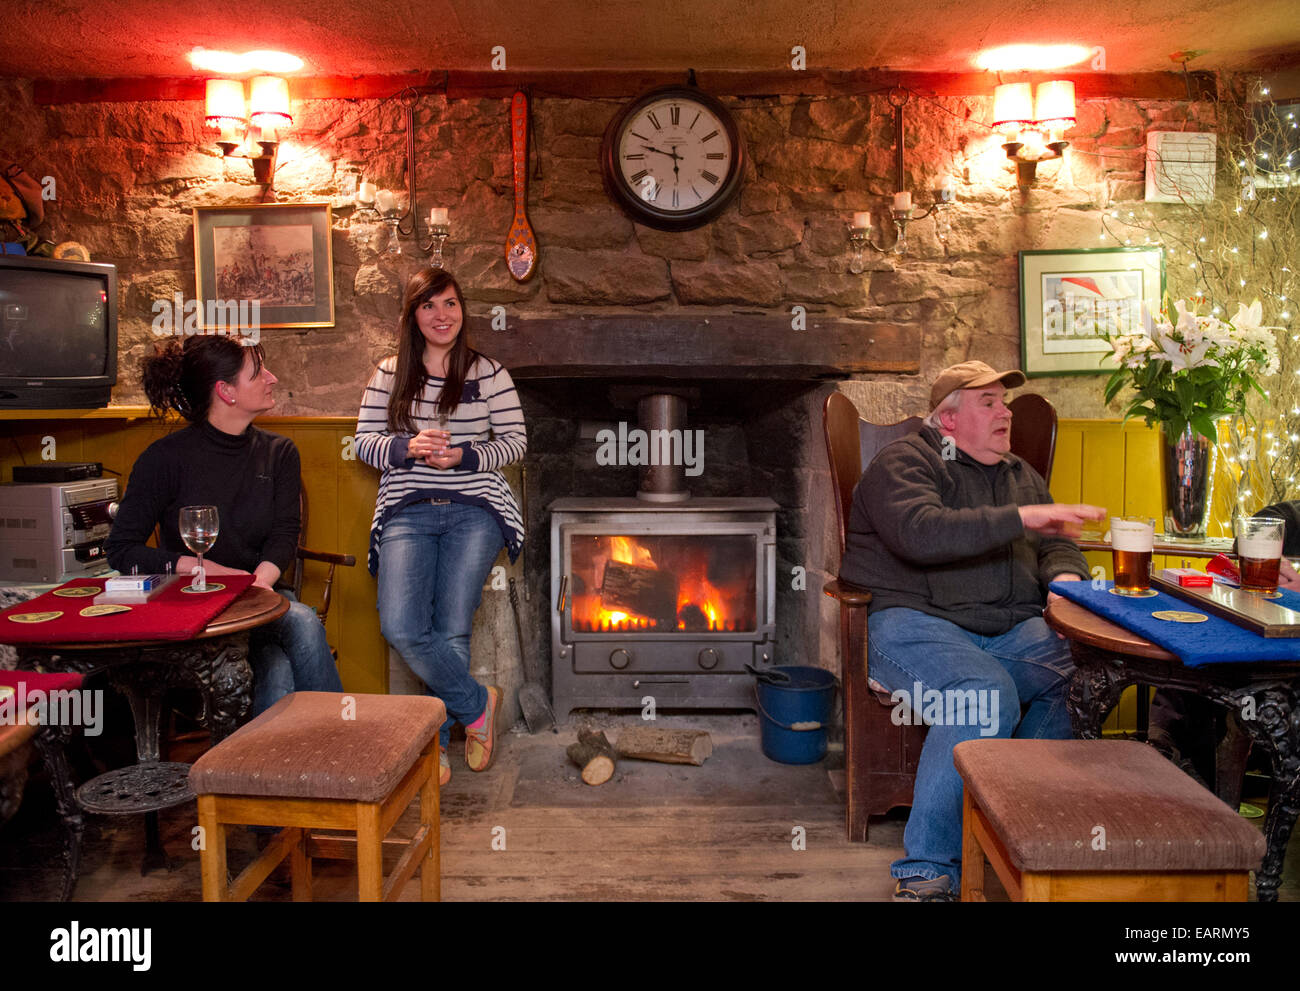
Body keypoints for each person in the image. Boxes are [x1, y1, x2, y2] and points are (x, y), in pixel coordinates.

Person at [839, 360, 1106, 901]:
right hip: (912, 626)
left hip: (1006, 631)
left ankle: (1012, 832)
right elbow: (922, 533)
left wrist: (1064, 580)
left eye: (1003, 402)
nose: (1004, 412)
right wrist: (1021, 519)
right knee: (980, 694)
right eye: (988, 402)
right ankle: (926, 871)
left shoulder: (1020, 474)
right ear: (949, 420)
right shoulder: (906, 462)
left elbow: (1058, 543)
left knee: (1086, 671)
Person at [105, 335, 342, 716]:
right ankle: (339, 745)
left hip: (260, 598)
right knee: (292, 639)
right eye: (258, 372)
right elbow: (121, 550)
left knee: (292, 635)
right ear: (226, 391)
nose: (273, 378)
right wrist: (201, 568)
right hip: (197, 609)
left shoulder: (279, 453)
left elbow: (284, 534)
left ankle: (290, 761)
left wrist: (258, 584)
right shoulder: (164, 460)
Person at [356, 267, 526, 787]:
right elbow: (364, 442)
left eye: (450, 304)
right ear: (413, 316)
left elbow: (517, 441)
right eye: (429, 306)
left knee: (451, 625)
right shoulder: (389, 373)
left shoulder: (489, 372)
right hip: (408, 506)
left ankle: (438, 742)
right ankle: (477, 705)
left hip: (475, 506)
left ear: (462, 310)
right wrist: (407, 447)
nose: (442, 315)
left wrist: (465, 455)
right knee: (403, 626)